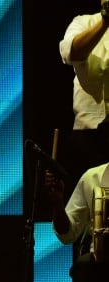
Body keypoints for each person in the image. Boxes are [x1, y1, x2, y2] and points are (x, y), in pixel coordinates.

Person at [59, 2, 109, 177]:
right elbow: (72, 53)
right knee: (86, 199)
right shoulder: (83, 23)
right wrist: (105, 22)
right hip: (88, 137)